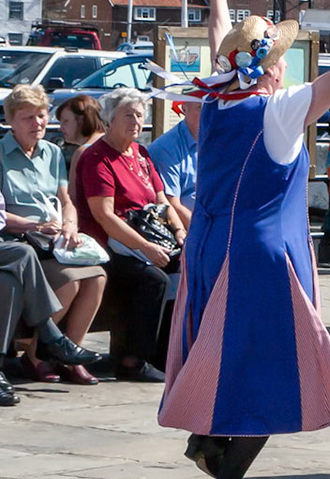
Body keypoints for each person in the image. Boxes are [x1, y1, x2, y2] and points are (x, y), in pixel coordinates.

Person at [158, 0, 330, 479]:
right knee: (274, 373)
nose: (282, 69)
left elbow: (219, 43)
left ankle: (211, 437)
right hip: (260, 259)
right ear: (269, 70)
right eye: (277, 60)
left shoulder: (209, 108)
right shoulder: (277, 113)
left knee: (221, 355)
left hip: (208, 249)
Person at [1, 84, 111, 385]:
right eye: (28, 118)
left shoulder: (51, 152)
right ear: (11, 121)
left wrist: (70, 225)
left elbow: (65, 200)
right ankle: (38, 354)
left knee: (97, 276)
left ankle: (67, 354)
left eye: (41, 116)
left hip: (53, 240)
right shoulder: (1, 154)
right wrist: (34, 225)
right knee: (69, 282)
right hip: (19, 239)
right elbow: (1, 216)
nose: (37, 123)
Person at [75, 88, 185, 382]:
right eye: (127, 114)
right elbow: (104, 216)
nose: (135, 121)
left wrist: (179, 232)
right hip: (111, 246)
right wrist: (147, 247)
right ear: (110, 119)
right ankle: (132, 360)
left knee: (187, 266)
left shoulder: (141, 154)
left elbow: (162, 201)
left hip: (152, 237)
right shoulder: (98, 158)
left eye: (139, 115)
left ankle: (168, 354)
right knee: (153, 279)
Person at [146, 101, 200, 236]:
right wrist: (206, 234)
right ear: (184, 109)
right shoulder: (166, 148)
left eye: (211, 107)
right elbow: (171, 203)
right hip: (188, 230)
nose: (208, 113)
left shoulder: (215, 140)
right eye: (200, 107)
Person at [56, 95, 103, 188]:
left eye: (65, 121)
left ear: (82, 120)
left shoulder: (83, 152)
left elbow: (74, 197)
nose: (60, 128)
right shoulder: (113, 142)